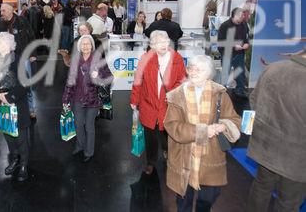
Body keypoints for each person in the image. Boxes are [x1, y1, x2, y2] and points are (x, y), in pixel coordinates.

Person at [164, 55, 241, 212]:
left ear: (209, 73)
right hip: (184, 154)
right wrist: (203, 130)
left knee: (209, 197)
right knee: (183, 200)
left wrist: (224, 125)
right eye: (191, 68)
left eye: (200, 69)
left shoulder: (219, 94)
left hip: (211, 154)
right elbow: (173, 126)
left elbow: (235, 119)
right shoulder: (177, 96)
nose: (194, 72)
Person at [246, 52, 306, 212]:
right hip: (297, 160)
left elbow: (254, 100)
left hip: (265, 147)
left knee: (261, 188)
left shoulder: (273, 68)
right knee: (288, 202)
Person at [130, 30, 186, 174]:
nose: (163, 45)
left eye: (165, 41)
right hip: (148, 103)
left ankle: (168, 153)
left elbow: (182, 81)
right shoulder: (145, 58)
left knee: (166, 133)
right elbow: (138, 81)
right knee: (150, 135)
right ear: (153, 45)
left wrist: (174, 96)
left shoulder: (177, 59)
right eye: (158, 42)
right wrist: (134, 100)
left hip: (168, 104)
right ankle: (151, 161)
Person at [62, 35, 112, 163]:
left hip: (93, 99)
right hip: (77, 98)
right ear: (79, 46)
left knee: (89, 126)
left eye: (88, 44)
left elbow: (110, 77)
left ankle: (89, 151)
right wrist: (66, 100)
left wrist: (99, 74)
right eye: (83, 44)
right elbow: (70, 82)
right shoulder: (75, 60)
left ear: (92, 45)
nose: (85, 46)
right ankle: (80, 146)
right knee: (78, 124)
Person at [0, 32, 30, 182]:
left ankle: (23, 164)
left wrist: (9, 98)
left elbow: (25, 85)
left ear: (8, 46)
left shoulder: (19, 62)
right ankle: (14, 160)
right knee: (8, 135)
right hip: (3, 105)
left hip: (18, 105)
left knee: (21, 138)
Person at [0, 3, 37, 118]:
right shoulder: (1, 24)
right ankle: (15, 106)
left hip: (24, 57)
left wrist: (33, 54)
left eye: (3, 11)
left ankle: (31, 109)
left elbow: (31, 37)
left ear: (11, 10)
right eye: (1, 11)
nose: (1, 13)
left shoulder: (22, 21)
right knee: (12, 84)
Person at [217, 7, 250, 97]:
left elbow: (246, 38)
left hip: (239, 54)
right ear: (235, 15)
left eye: (243, 15)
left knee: (240, 73)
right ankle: (222, 93)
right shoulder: (225, 26)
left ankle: (240, 90)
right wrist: (233, 46)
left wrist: (247, 44)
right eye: (241, 15)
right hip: (227, 54)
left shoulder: (244, 25)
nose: (243, 16)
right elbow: (220, 41)